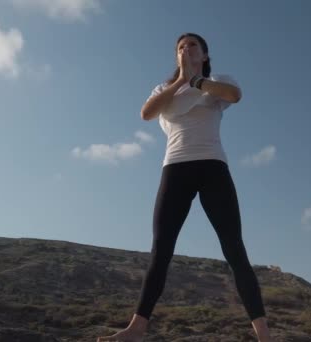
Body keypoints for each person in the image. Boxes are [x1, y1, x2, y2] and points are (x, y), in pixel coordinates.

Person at [97, 33, 272, 342]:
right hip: (175, 169)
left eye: (192, 45)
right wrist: (181, 80)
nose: (185, 49)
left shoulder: (217, 81)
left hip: (213, 167)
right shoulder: (164, 90)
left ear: (204, 55)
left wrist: (197, 82)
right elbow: (147, 113)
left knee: (234, 249)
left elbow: (234, 95)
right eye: (180, 46)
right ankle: (136, 328)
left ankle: (264, 335)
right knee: (161, 250)